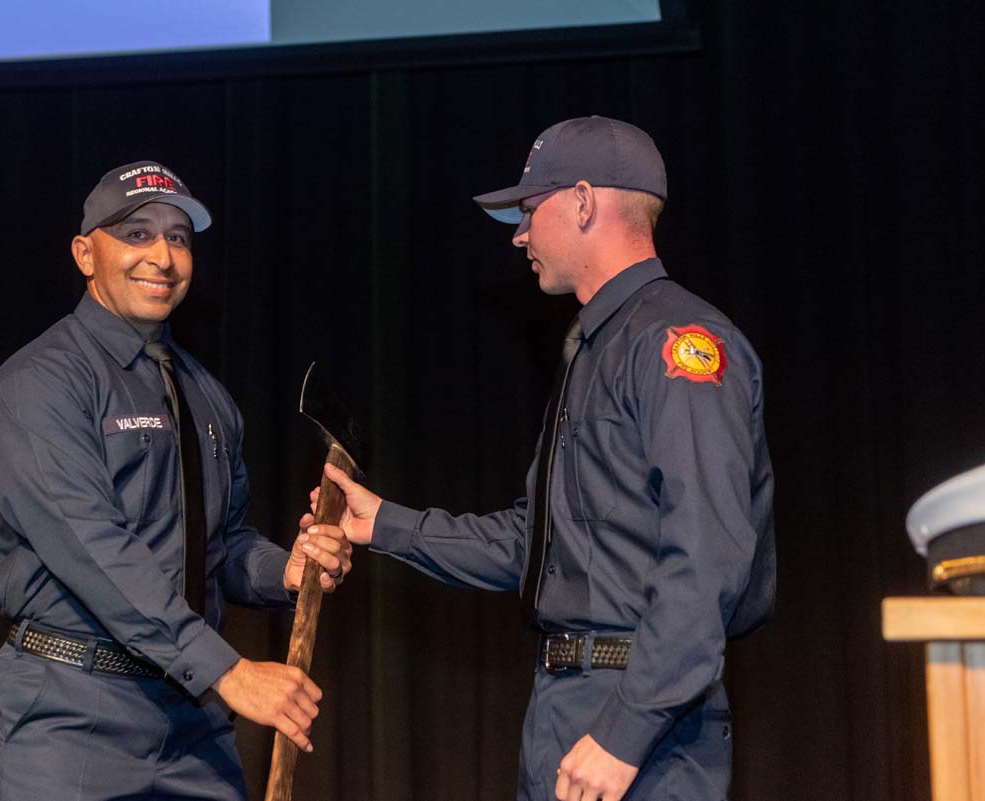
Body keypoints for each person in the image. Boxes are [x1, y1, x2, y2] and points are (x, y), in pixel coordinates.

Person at [307, 116, 775, 801]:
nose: (519, 234)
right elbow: (538, 544)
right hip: (565, 704)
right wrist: (383, 524)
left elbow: (706, 561)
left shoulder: (678, 344)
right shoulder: (592, 348)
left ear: (583, 202)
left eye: (529, 210)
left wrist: (625, 731)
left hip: (645, 720)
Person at [0, 160, 352, 801]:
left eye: (178, 237)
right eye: (137, 234)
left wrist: (287, 572)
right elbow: (94, 551)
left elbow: (223, 544)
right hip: (74, 714)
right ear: (85, 254)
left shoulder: (207, 395)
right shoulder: (38, 384)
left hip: (192, 723)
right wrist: (228, 671)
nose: (163, 256)